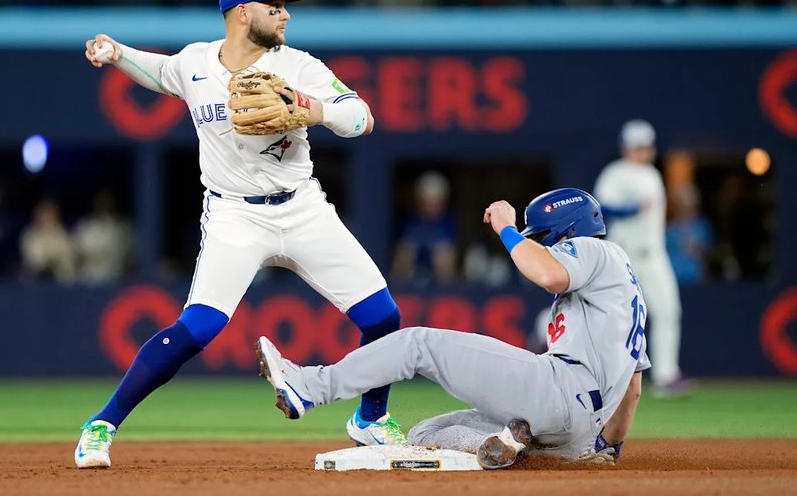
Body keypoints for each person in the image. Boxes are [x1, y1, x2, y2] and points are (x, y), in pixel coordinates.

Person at [75, 0, 405, 469]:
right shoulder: (197, 62)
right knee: (198, 328)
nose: (286, 14)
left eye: (286, 6)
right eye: (276, 6)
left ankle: (370, 419)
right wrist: (118, 54)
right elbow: (161, 73)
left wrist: (312, 109)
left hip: (302, 207)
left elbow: (362, 117)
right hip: (234, 215)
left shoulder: (298, 66)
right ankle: (102, 424)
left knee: (384, 317)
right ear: (242, 12)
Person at [257, 188, 649, 469]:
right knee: (424, 434)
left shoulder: (598, 250)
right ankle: (501, 444)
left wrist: (508, 230)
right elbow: (632, 391)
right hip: (574, 431)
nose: (541, 245)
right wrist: (605, 448)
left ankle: (308, 388)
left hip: (559, 390)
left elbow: (547, 273)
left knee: (417, 343)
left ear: (569, 230)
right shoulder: (626, 300)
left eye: (545, 238)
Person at [593, 119, 691, 397]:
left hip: (654, 255)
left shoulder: (653, 175)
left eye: (646, 146)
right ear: (625, 147)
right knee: (613, 316)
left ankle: (666, 375)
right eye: (636, 146)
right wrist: (632, 209)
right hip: (625, 255)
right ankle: (605, 377)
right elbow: (601, 209)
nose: (642, 151)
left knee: (668, 311)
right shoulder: (616, 173)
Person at [391, 171, 458, 286]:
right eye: (426, 203)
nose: (430, 209)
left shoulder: (448, 224)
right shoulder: (409, 222)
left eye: (435, 204)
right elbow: (398, 270)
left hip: (440, 289)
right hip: (409, 285)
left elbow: (449, 272)